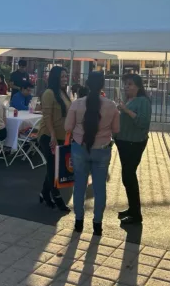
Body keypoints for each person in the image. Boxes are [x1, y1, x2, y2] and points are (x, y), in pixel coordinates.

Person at [66, 72, 119, 236]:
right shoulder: (111, 106)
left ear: (87, 84)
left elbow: (68, 127)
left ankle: (79, 222)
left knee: (79, 186)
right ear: (102, 85)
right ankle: (97, 224)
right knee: (99, 189)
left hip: (80, 148)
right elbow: (117, 130)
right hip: (102, 149)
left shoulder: (77, 104)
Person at [114, 73, 152, 225]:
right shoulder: (130, 100)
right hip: (124, 141)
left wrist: (125, 110)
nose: (126, 87)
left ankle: (136, 214)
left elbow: (143, 122)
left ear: (138, 86)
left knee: (129, 176)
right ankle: (132, 208)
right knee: (127, 176)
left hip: (133, 143)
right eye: (125, 84)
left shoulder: (142, 101)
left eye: (129, 84)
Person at [37, 66, 72, 211]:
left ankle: (44, 193)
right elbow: (47, 116)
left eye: (66, 76)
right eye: (62, 76)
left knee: (54, 167)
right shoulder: (49, 93)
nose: (65, 79)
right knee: (53, 168)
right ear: (55, 77)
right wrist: (52, 134)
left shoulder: (63, 93)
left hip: (62, 136)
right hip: (48, 136)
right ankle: (57, 197)